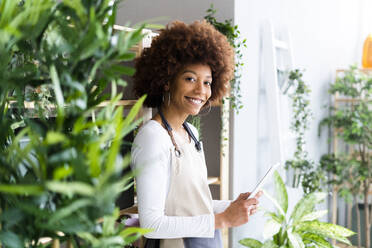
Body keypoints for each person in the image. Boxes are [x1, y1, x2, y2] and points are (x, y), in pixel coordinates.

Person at [131, 20, 262, 248]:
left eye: (207, 82)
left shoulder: (189, 132)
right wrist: (222, 219)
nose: (201, 90)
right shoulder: (153, 138)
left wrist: (231, 206)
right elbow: (151, 224)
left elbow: (190, 206)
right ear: (166, 81)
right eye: (190, 78)